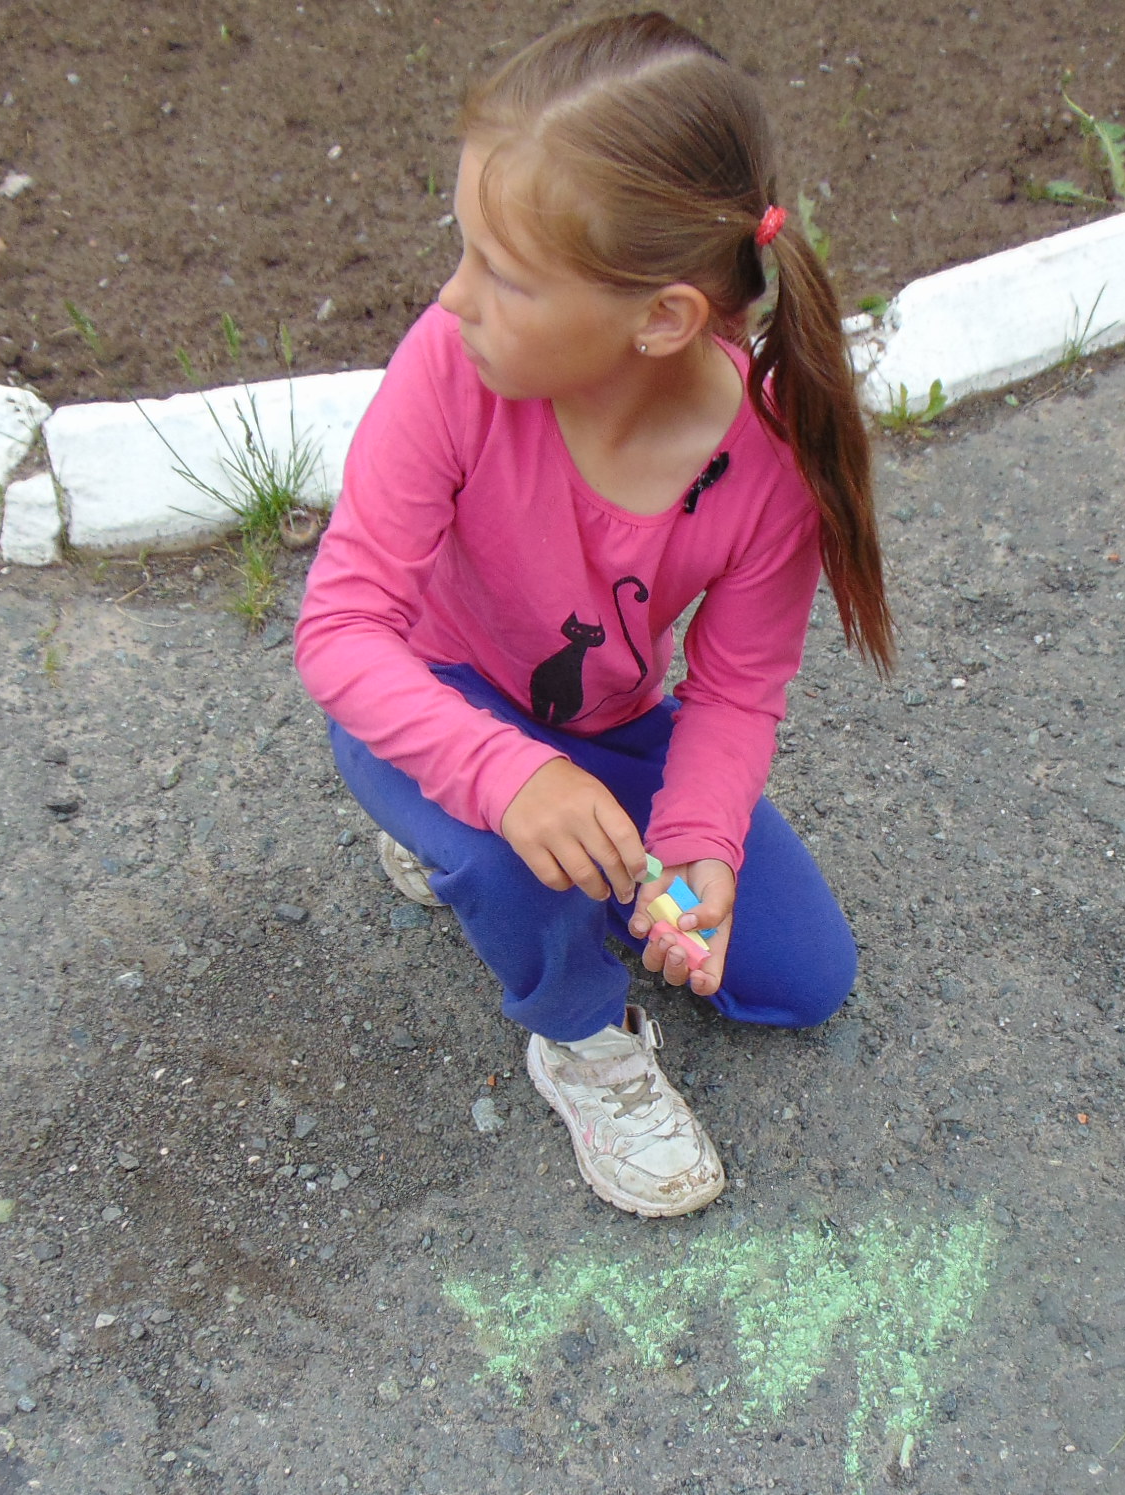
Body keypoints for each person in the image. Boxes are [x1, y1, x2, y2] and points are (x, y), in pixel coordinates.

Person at [294, 11, 893, 1219]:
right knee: (504, 851)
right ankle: (577, 1034)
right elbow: (342, 629)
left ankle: (548, 856)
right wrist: (505, 778)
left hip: (606, 727)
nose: (454, 296)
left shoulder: (769, 462)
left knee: (800, 976)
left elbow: (734, 691)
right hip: (427, 700)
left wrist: (698, 842)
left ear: (661, 319)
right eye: (464, 251)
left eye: (504, 276)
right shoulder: (452, 366)